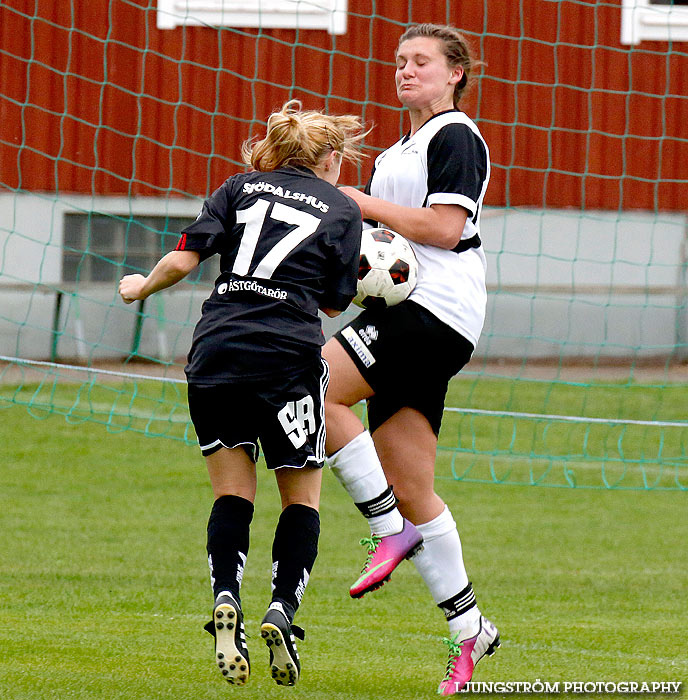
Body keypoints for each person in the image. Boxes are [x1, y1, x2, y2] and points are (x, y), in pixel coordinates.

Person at [119, 100, 366, 688]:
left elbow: (184, 259)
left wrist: (139, 288)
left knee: (232, 491)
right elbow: (334, 302)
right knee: (301, 498)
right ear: (331, 157)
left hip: (218, 352)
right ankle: (282, 609)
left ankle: (226, 594)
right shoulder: (341, 208)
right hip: (287, 359)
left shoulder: (239, 186)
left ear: (276, 151)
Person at [323, 24, 500, 695]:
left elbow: (445, 230)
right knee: (412, 486)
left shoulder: (455, 134)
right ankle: (471, 629)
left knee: (312, 383)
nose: (406, 71)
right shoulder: (397, 149)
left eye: (421, 61)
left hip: (439, 312)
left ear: (456, 73)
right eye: (400, 61)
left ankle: (385, 530)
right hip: (400, 312)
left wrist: (360, 202)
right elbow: (377, 250)